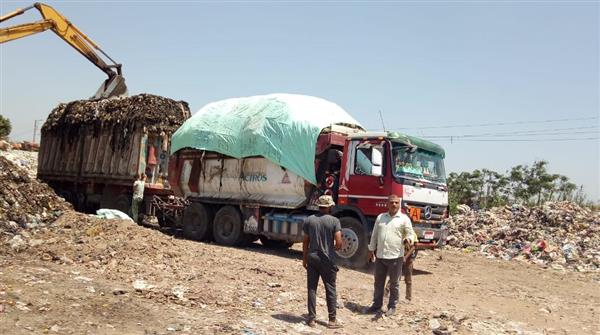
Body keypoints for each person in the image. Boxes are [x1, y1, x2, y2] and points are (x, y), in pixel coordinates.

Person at [366, 194, 415, 317]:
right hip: (381, 256)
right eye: (391, 202)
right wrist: (371, 249)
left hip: (396, 257)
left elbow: (410, 234)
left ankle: (392, 306)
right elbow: (375, 235)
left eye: (396, 203)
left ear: (399, 204)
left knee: (394, 283)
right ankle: (376, 305)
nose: (394, 205)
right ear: (387, 204)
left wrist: (408, 240)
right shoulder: (380, 217)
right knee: (378, 283)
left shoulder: (404, 219)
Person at [302, 195, 344, 329]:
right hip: (327, 260)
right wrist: (332, 248)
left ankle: (312, 319)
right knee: (330, 289)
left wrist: (304, 258)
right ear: (330, 206)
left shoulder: (310, 220)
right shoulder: (334, 221)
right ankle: (332, 320)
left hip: (312, 257)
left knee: (312, 288)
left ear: (319, 205)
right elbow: (338, 242)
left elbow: (305, 241)